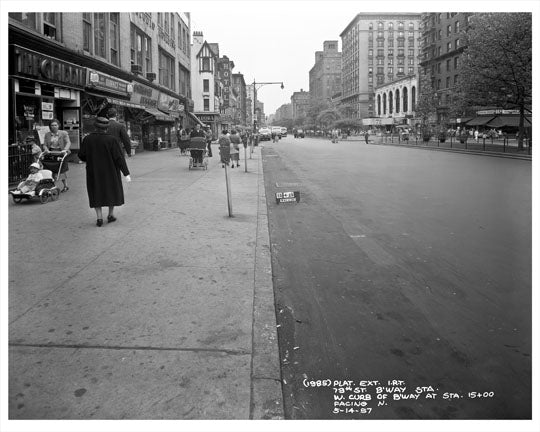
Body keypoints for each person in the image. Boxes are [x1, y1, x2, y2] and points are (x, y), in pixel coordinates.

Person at [78, 117, 131, 227]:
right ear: (107, 128)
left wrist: (91, 158)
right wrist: (126, 173)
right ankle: (110, 215)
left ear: (95, 126)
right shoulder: (112, 140)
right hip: (110, 171)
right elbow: (119, 158)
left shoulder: (87, 139)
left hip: (94, 171)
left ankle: (99, 218)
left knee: (95, 191)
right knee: (110, 191)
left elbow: (81, 155)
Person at [43, 118, 71, 192]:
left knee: (61, 170)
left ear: (58, 126)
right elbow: (45, 144)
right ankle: (52, 185)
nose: (54, 126)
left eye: (55, 125)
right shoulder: (47, 134)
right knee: (51, 169)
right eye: (52, 125)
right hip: (51, 153)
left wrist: (65, 149)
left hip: (61, 152)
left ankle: (65, 185)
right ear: (50, 126)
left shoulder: (63, 133)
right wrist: (46, 149)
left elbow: (68, 142)